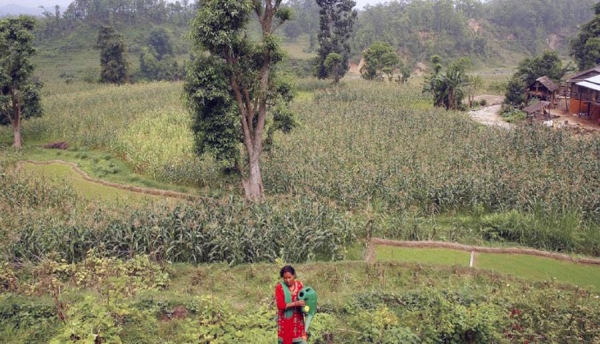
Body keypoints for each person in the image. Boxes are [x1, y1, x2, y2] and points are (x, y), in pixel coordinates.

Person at [275, 265, 307, 344]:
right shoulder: (280, 288)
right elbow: (281, 306)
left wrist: (305, 305)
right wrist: (296, 303)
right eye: (285, 278)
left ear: (294, 275)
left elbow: (305, 298)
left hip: (298, 321)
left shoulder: (299, 285)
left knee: (301, 341)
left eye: (289, 277)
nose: (287, 280)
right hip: (285, 321)